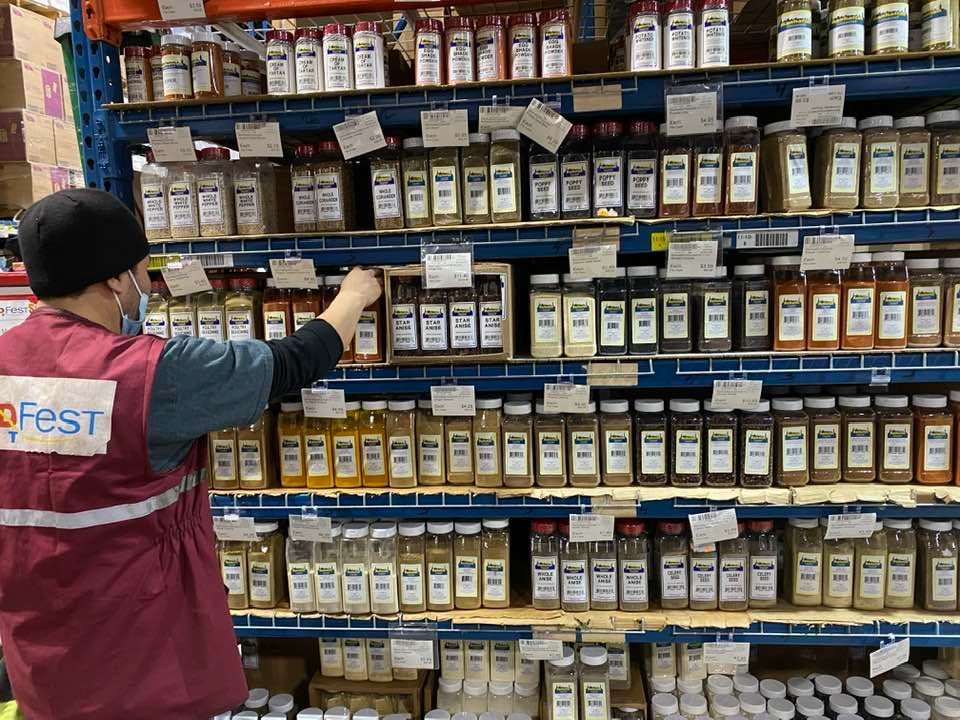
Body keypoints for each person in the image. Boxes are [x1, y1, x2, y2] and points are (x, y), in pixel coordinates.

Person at [0, 189, 382, 719]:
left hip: (43, 661)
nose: (148, 286)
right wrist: (353, 296)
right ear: (115, 279)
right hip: (146, 658)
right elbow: (292, 361)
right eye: (143, 271)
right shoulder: (152, 375)